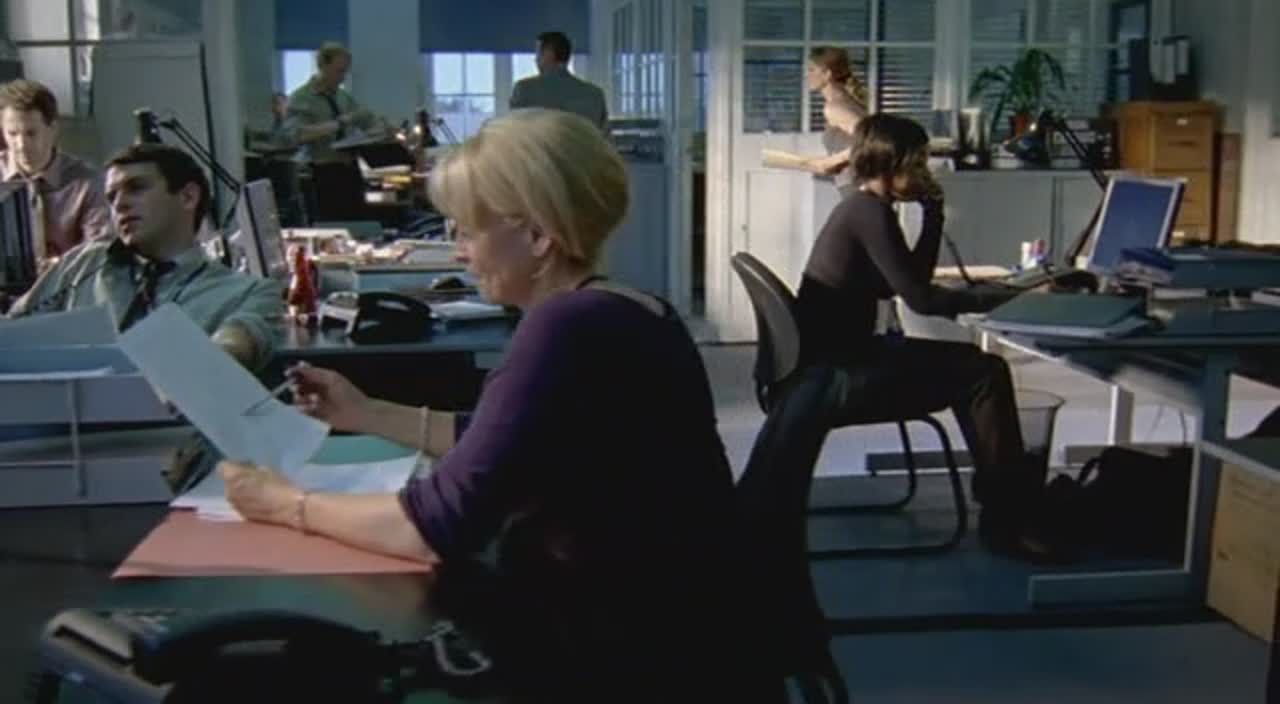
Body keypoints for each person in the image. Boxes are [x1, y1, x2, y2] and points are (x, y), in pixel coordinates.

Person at [219, 109, 756, 701]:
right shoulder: (626, 307)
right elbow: (506, 442)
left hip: (614, 655)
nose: (459, 251)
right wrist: (365, 413)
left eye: (468, 231)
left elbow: (434, 526)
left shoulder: (565, 328)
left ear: (537, 236)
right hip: (676, 632)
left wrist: (283, 503)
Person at [794, 113, 1050, 558]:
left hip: (836, 360)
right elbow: (922, 299)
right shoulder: (869, 213)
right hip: (842, 373)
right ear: (889, 164)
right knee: (984, 373)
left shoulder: (863, 208)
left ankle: (1002, 501)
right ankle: (1007, 516)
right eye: (917, 164)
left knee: (973, 368)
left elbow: (910, 279)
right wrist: (1006, 297)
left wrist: (932, 216)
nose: (923, 173)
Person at [8, 144, 282, 370]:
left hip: (172, 417)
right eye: (112, 197)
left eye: (136, 188)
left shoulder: (246, 292)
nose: (119, 204)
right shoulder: (83, 263)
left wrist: (213, 356)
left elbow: (234, 345)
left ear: (188, 197)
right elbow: (12, 334)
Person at [0, 79, 112, 265]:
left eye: (31, 133)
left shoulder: (88, 183)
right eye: (12, 134)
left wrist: (57, 267)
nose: (21, 145)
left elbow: (98, 253)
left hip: (66, 279)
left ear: (52, 129)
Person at [284, 42, 380, 220]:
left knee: (357, 223)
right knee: (328, 225)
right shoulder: (301, 98)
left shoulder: (344, 97)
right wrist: (338, 123)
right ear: (322, 66)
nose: (342, 78)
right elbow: (296, 135)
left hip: (349, 171)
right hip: (321, 173)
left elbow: (367, 122)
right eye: (339, 71)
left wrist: (382, 130)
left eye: (345, 72)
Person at [802, 47, 869, 196]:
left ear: (827, 74)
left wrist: (832, 161)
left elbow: (870, 141)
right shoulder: (845, 100)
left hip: (856, 185)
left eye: (812, 70)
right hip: (855, 183)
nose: (806, 75)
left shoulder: (834, 108)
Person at [509, 31, 608, 131]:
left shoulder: (525, 90)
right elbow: (604, 137)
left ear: (549, 54)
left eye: (538, 54)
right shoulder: (595, 94)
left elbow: (514, 133)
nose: (536, 60)